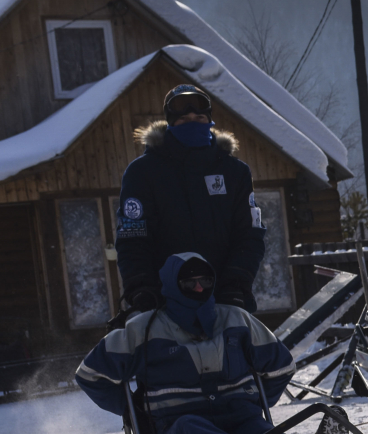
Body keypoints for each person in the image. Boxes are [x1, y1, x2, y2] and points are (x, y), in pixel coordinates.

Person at [76, 252, 303, 434]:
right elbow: (90, 374)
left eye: (205, 281)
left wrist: (257, 403)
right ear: (172, 285)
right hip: (175, 427)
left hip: (239, 420)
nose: (198, 288)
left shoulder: (236, 319)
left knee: (260, 432)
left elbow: (282, 366)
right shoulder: (143, 329)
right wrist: (133, 412)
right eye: (189, 283)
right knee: (191, 429)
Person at [114, 84, 266, 317]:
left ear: (210, 121)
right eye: (184, 119)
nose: (193, 123)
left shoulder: (235, 173)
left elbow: (249, 234)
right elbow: (133, 237)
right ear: (170, 123)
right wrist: (141, 288)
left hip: (225, 301)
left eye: (199, 117)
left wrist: (236, 283)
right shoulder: (143, 173)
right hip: (163, 304)